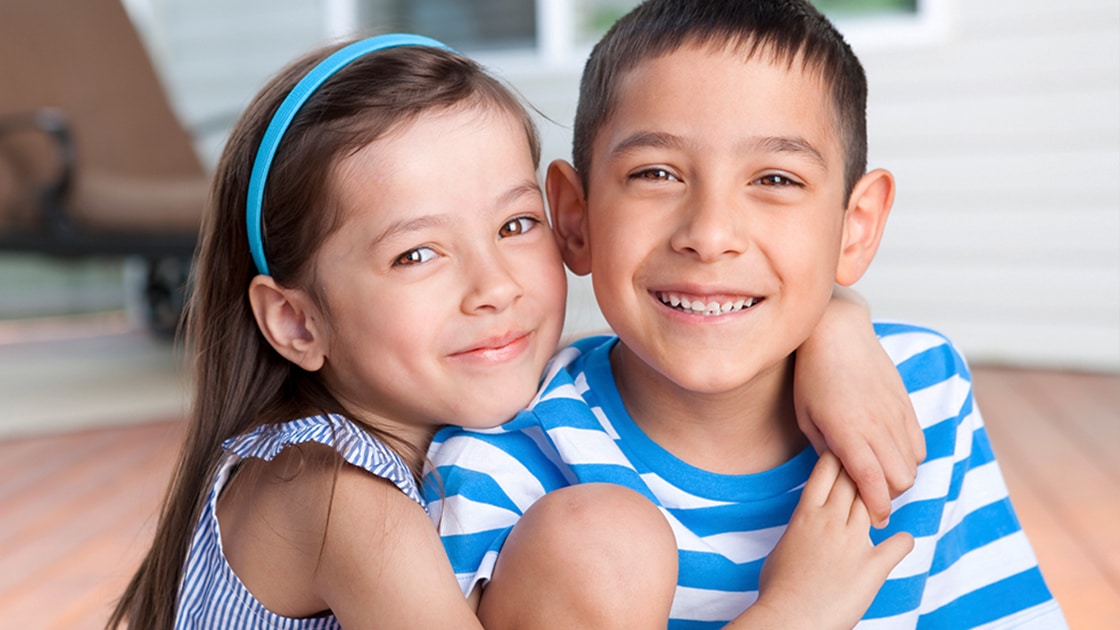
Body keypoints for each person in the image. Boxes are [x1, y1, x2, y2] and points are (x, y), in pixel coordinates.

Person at [108, 31, 921, 630]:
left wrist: (836, 326)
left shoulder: (470, 420)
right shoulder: (334, 500)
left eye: (515, 226)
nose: (493, 288)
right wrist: (796, 611)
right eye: (417, 253)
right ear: (297, 320)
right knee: (606, 539)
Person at [426, 1, 1068, 628]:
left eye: (776, 180)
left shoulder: (921, 393)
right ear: (575, 217)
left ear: (856, 228)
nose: (710, 234)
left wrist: (839, 322)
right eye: (655, 173)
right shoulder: (506, 465)